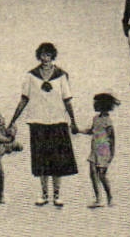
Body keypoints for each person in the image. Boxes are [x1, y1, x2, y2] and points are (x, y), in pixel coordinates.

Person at [9, 42, 80, 206]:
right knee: (41, 160)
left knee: (58, 161)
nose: (45, 59)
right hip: (38, 123)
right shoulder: (30, 76)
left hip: (58, 123)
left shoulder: (62, 75)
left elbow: (67, 100)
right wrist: (13, 120)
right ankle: (44, 194)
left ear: (52, 56)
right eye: (43, 55)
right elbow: (24, 99)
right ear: (39, 56)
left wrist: (73, 122)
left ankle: (57, 195)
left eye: (48, 55)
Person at [75, 92, 118, 208]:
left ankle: (109, 197)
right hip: (94, 149)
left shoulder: (108, 121)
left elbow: (112, 138)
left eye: (96, 103)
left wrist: (111, 154)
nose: (94, 105)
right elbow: (91, 131)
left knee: (102, 175)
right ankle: (98, 198)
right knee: (93, 174)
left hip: (103, 150)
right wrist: (79, 130)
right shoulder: (95, 118)